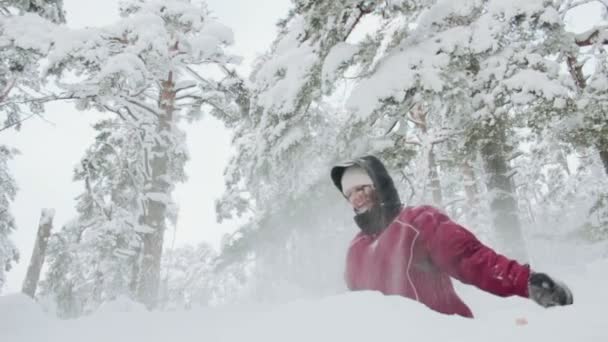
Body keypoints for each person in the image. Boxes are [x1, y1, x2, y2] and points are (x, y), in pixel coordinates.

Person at [330, 155, 573, 318]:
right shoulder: (355, 249)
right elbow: (359, 308)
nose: (357, 197)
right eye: (350, 193)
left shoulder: (417, 222)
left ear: (380, 186)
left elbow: (472, 259)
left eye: (362, 188)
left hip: (443, 334)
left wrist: (525, 282)